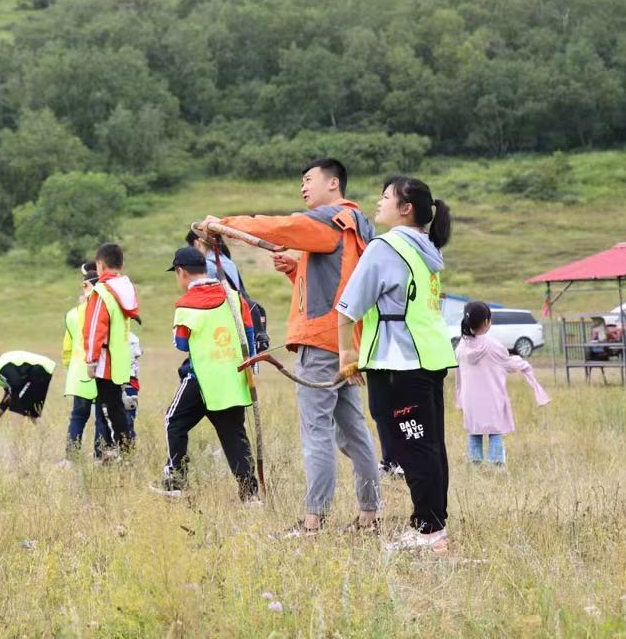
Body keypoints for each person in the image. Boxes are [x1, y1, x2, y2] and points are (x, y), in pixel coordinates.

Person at [206, 157, 381, 537]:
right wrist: (295, 268)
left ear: (333, 184)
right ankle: (370, 516)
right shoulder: (358, 226)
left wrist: (225, 224)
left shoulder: (328, 220)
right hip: (345, 342)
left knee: (316, 430)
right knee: (353, 431)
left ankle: (313, 521)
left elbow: (282, 226)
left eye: (308, 180)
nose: (303, 188)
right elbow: (333, 287)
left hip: (320, 344)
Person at [335, 175, 458, 554]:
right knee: (430, 446)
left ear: (406, 208)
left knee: (413, 446)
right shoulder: (426, 248)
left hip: (397, 365)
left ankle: (427, 530)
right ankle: (433, 525)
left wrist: (346, 354)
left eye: (386, 197)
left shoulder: (386, 246)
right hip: (427, 359)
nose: (379, 202)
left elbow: (349, 305)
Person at [156, 246, 259, 499]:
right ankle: (250, 495)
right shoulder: (234, 297)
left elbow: (181, 343)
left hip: (201, 379)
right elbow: (248, 334)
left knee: (174, 421)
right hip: (233, 378)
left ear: (181, 272)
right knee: (234, 435)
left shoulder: (186, 305)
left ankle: (176, 481)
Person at [454, 301, 550, 466]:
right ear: (487, 322)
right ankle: (496, 464)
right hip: (492, 399)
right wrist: (523, 364)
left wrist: (459, 398)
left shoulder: (461, 347)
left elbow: (459, 374)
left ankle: (474, 464)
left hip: (470, 401)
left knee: (474, 431)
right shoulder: (493, 345)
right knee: (495, 431)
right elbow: (507, 363)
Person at [81, 241, 140, 454]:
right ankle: (125, 448)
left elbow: (95, 326)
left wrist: (91, 358)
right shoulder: (126, 287)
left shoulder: (103, 292)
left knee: (108, 409)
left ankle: (121, 451)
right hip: (121, 358)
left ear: (100, 265)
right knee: (116, 407)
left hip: (105, 360)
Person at [62, 264, 115, 458]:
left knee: (78, 416)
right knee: (101, 417)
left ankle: (71, 457)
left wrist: (71, 367)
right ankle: (100, 456)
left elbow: (67, 348)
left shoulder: (72, 314)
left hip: (78, 371)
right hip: (100, 368)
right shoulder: (105, 309)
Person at [0, 351, 55, 419]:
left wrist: (4, 407)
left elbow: (15, 385)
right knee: (31, 410)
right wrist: (1, 410)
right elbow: (10, 389)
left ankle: (16, 439)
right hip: (42, 369)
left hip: (39, 369)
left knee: (16, 404)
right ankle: (44, 435)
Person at [187, 227, 245, 297]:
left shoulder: (208, 265)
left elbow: (207, 297)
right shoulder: (227, 260)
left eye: (191, 246)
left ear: (197, 243)